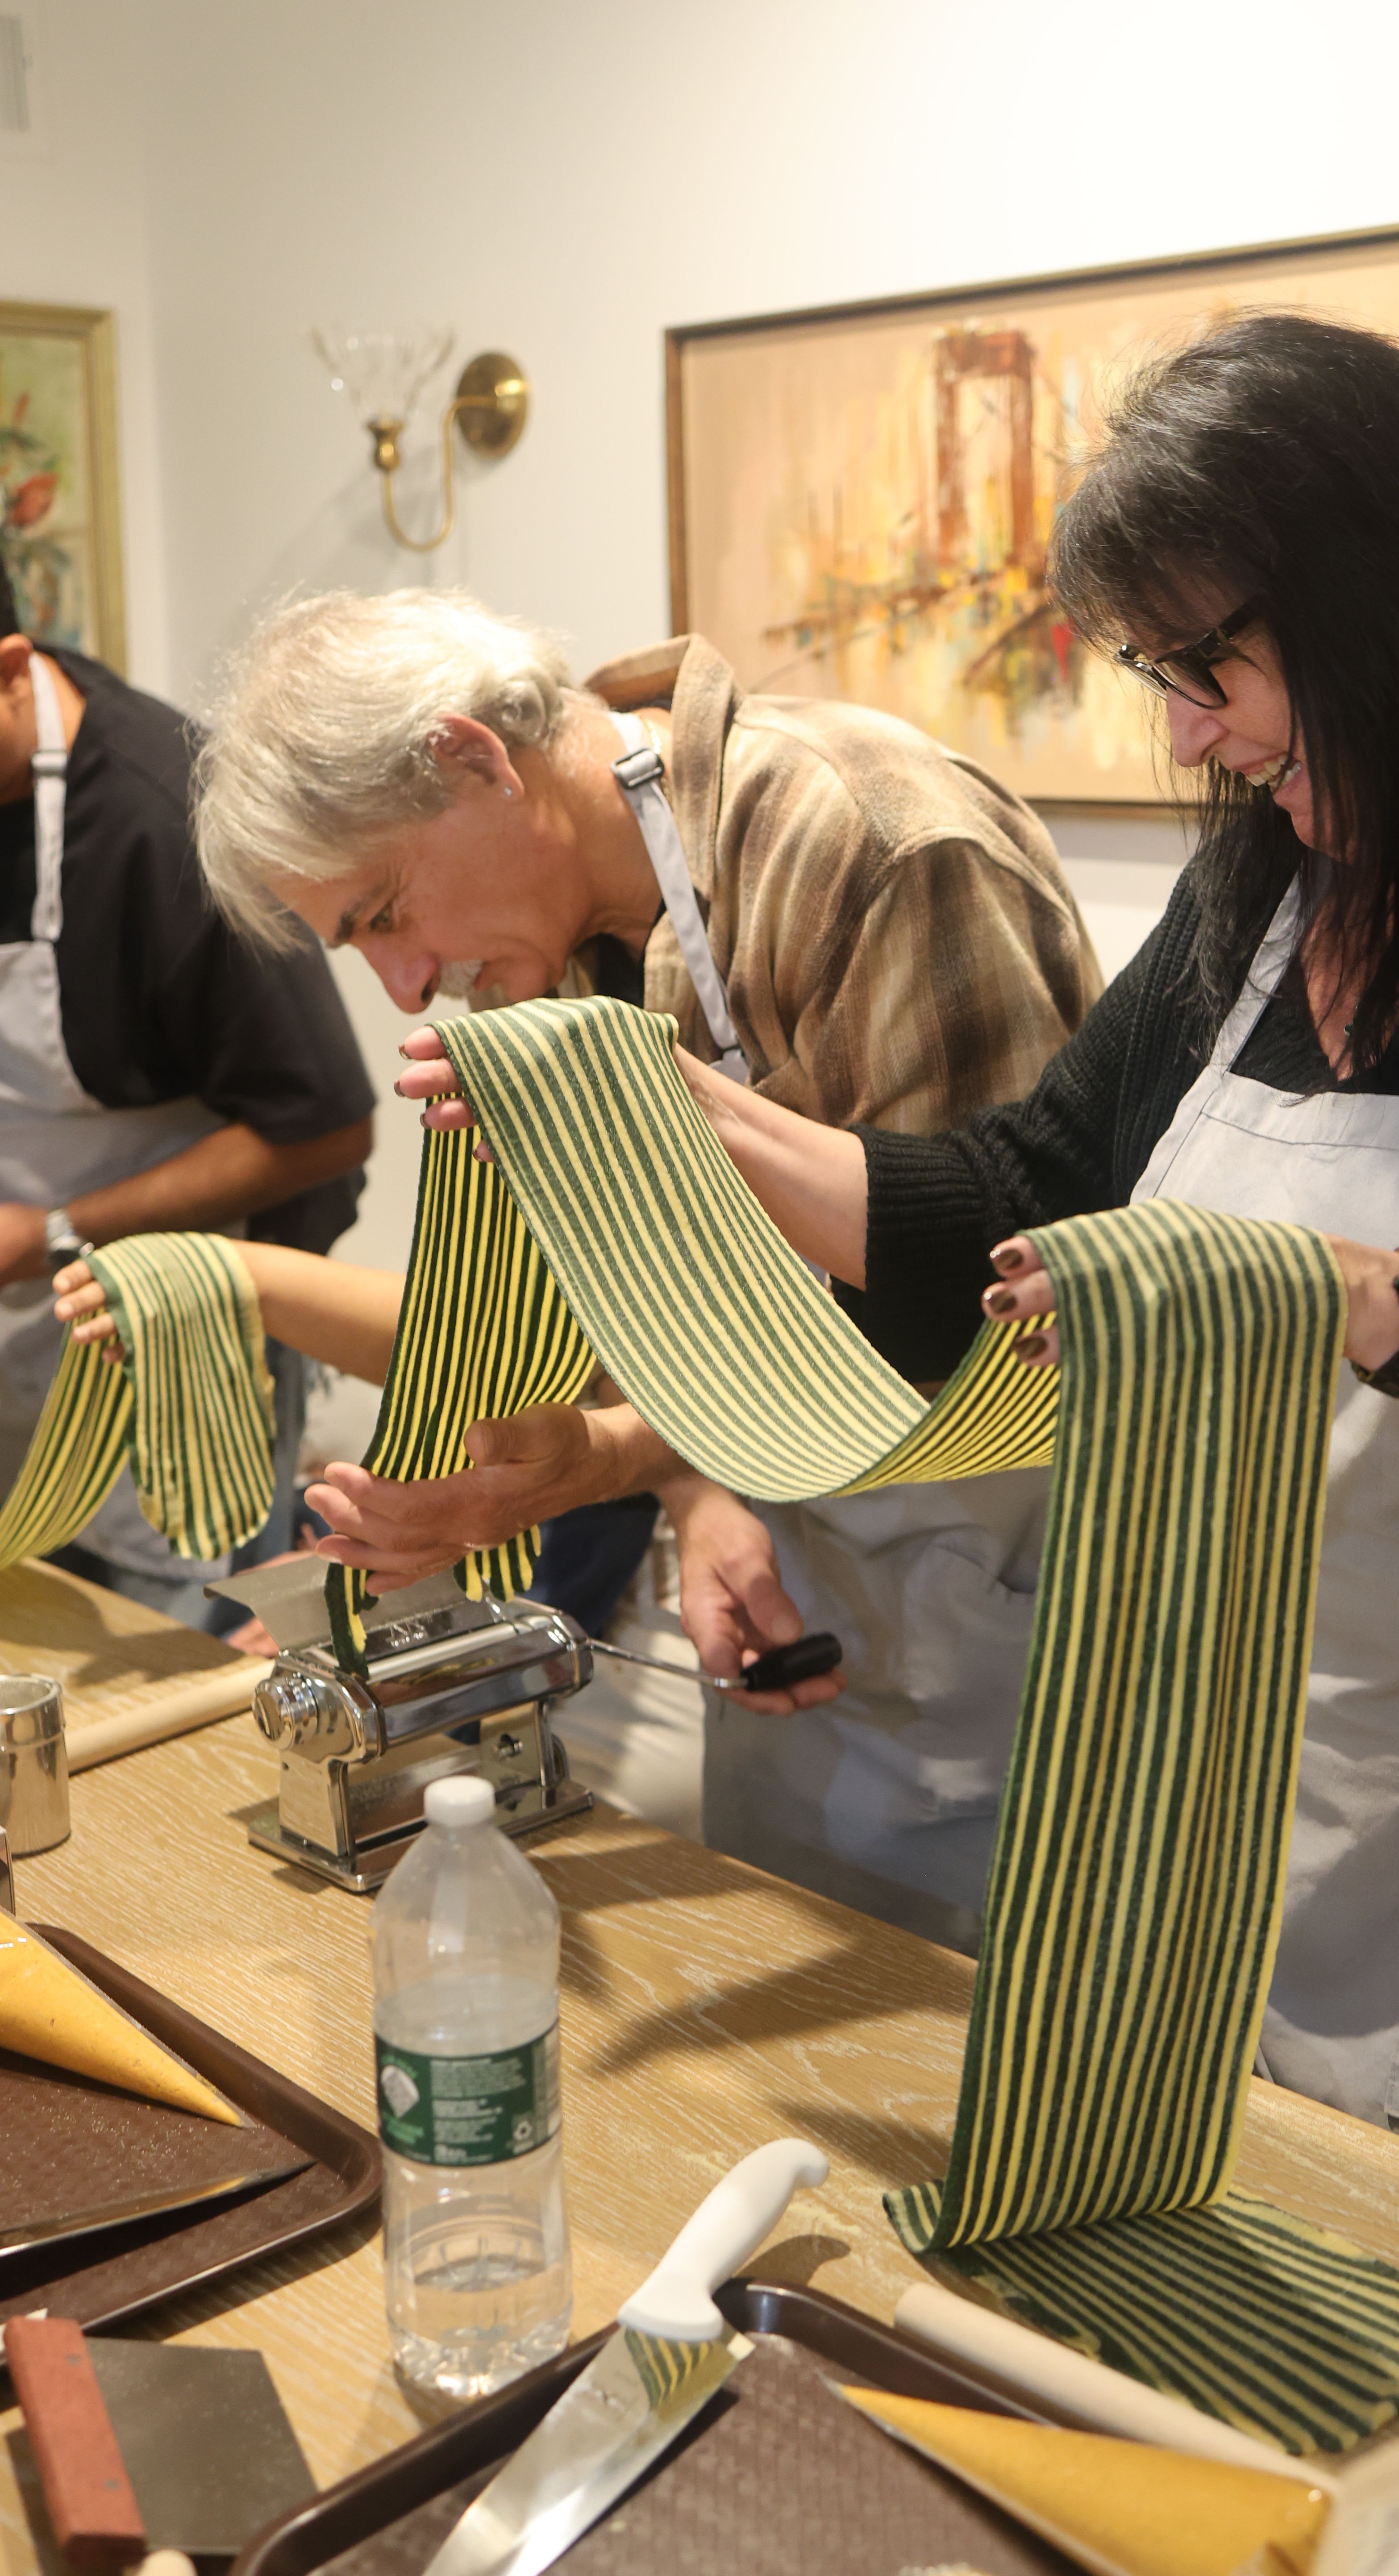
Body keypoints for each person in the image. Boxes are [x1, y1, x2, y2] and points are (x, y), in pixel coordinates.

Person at [432, 315, 1399, 2259]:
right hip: (1281, 1769)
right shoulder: (1287, 873)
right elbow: (1027, 1191)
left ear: (1388, 600)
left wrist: (1359, 1301)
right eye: (1155, 677)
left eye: (1208, 666)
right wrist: (678, 1124)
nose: (1186, 740)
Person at [182, 591, 1101, 1943]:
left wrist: (626, 1453)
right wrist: (627, 1469)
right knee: (784, 1999)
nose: (405, 983)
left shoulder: (872, 846)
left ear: (473, 758)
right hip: (814, 1568)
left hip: (1016, 1575)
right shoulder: (548, 968)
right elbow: (634, 1320)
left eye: (386, 913)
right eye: (360, 945)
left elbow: (987, 1321)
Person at [0, 568, 374, 1622]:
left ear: (11, 674)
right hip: (17, 1338)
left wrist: (54, 1232)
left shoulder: (166, 817)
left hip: (176, 1345)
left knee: (174, 1666)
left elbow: (327, 1123)